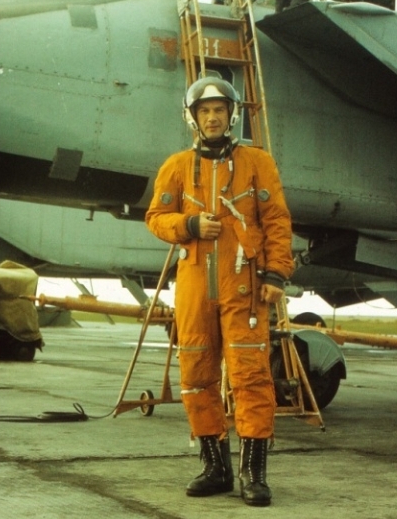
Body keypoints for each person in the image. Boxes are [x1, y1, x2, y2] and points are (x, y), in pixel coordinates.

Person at [146, 76, 295, 507]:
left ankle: (254, 475)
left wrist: (275, 275)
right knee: (195, 376)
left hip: (243, 283)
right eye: (203, 111)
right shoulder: (176, 166)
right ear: (193, 118)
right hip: (194, 284)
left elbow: (277, 221)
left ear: (232, 115)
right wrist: (188, 226)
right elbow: (156, 216)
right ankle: (216, 467)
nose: (212, 117)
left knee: (250, 376)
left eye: (219, 110)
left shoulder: (257, 163)